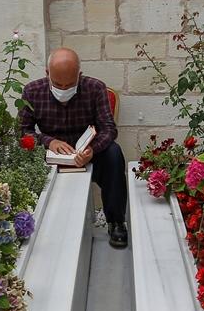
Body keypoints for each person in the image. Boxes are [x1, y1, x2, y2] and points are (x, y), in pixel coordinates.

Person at [19, 48, 129, 249]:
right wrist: (47, 141)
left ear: (79, 75)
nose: (63, 89)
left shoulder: (95, 88)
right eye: (57, 84)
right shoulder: (32, 91)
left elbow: (109, 129)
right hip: (51, 153)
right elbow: (22, 131)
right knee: (21, 157)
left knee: (114, 153)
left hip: (87, 151)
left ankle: (116, 221)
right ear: (47, 74)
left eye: (69, 84)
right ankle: (29, 220)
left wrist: (92, 150)